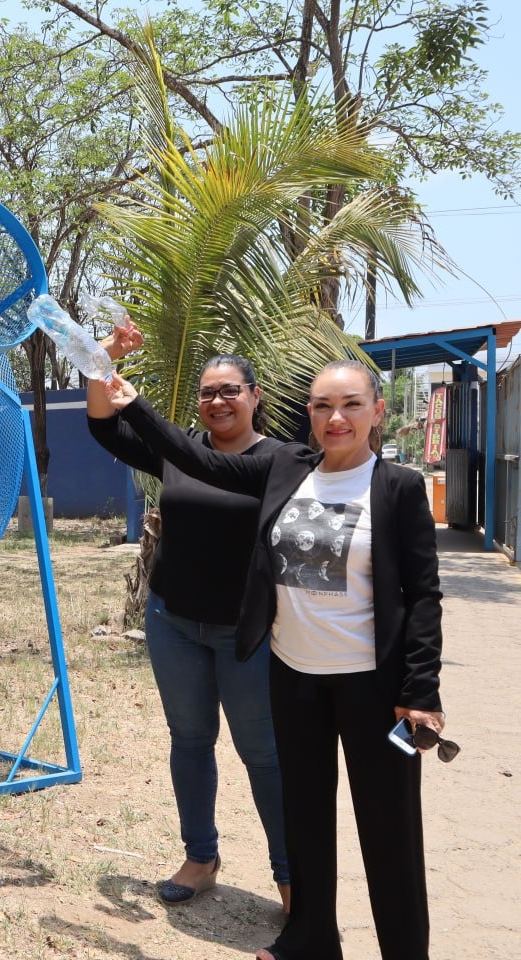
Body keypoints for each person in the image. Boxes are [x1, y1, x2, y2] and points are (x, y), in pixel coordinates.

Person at [99, 358, 445, 960]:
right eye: (321, 406)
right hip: (295, 676)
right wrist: (131, 403)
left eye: (351, 405)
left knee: (388, 828)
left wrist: (420, 691)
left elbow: (422, 595)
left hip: (372, 685)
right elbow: (200, 459)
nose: (335, 418)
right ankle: (310, 938)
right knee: (306, 815)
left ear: (377, 412)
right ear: (306, 414)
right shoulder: (286, 468)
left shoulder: (397, 486)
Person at [86, 343, 290, 911]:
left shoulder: (279, 460)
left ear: (255, 397)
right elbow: (104, 428)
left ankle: (291, 875)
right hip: (173, 620)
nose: (218, 401)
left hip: (242, 631)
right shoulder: (180, 451)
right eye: (208, 393)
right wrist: (99, 361)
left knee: (263, 752)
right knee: (191, 740)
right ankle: (201, 857)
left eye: (231, 390)